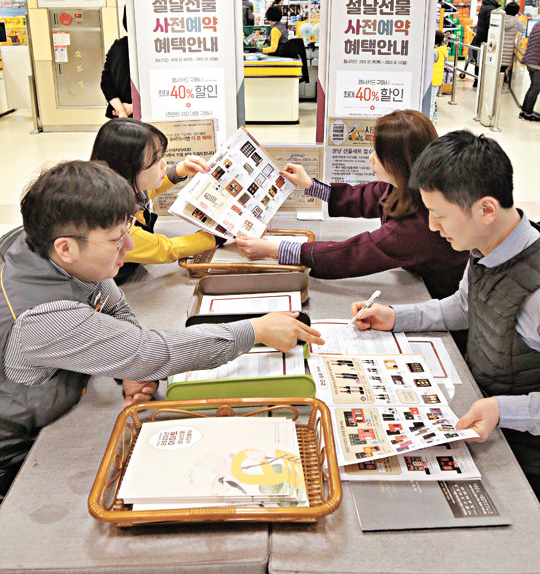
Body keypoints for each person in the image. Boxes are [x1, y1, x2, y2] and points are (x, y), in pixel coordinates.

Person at [0, 160, 323, 499]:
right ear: (66, 248)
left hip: (63, 402)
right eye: (115, 240)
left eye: (128, 232)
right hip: (21, 446)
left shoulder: (47, 243)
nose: (128, 248)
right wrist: (254, 331)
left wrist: (128, 370)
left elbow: (114, 307)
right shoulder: (42, 317)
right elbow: (152, 352)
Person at [349, 130, 540, 499]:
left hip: (523, 457)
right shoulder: (487, 246)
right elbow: (465, 306)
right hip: (484, 413)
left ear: (486, 209)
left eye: (440, 216)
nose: (434, 227)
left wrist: (506, 410)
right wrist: (395, 316)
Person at [236, 110, 468, 300]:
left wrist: (271, 249)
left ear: (399, 162)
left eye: (377, 153)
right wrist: (309, 185)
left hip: (437, 298)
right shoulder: (406, 186)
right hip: (415, 283)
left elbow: (351, 254)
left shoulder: (417, 226)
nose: (370, 158)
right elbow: (362, 196)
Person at [90, 118, 217, 283]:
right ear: (129, 168)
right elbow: (166, 249)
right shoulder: (114, 223)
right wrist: (215, 236)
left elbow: (150, 189)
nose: (164, 164)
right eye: (156, 160)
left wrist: (180, 170)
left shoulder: (120, 188)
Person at [464, 0, 505, 87]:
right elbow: (490, 26)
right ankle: (479, 82)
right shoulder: (491, 9)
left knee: (479, 61)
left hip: (479, 38)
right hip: (485, 39)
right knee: (482, 61)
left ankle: (477, 81)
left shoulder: (485, 5)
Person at [100, 7, 132, 119]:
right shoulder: (158, 48)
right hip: (147, 118)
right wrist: (133, 108)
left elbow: (106, 83)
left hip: (119, 117)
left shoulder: (117, 47)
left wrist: (122, 111)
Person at [519, 19, 540, 122]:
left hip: (530, 61)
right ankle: (529, 113)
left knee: (532, 86)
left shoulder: (537, 24)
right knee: (536, 88)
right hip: (537, 63)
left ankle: (523, 110)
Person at [501, 2, 524, 88]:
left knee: (496, 68)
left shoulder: (501, 19)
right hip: (508, 49)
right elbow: (523, 31)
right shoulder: (516, 21)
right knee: (503, 69)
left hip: (498, 47)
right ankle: (501, 85)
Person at [431, 30, 447, 123]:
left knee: (431, 102)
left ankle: (430, 120)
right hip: (436, 79)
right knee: (432, 101)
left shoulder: (435, 52)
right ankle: (434, 118)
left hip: (432, 79)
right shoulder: (442, 50)